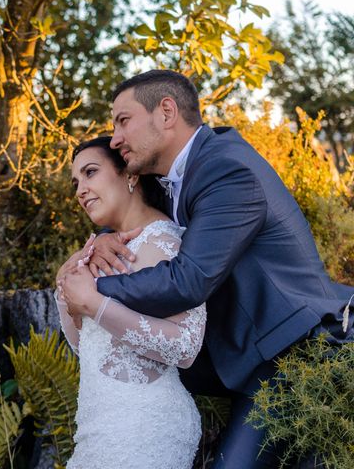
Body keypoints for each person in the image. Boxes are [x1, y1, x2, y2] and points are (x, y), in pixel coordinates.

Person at [59, 69, 354, 468]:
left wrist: (94, 293)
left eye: (123, 120)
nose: (115, 138)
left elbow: (188, 279)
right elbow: (145, 224)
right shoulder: (175, 178)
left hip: (298, 353)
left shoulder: (227, 169)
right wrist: (107, 238)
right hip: (250, 360)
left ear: (166, 112)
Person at [55, 136, 206, 468]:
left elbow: (186, 346)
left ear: (130, 175)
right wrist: (66, 289)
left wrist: (94, 304)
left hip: (145, 428)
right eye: (76, 182)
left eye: (90, 173)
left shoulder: (166, 243)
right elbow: (89, 349)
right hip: (98, 429)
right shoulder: (98, 251)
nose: (80, 190)